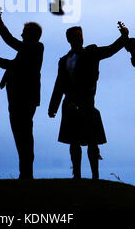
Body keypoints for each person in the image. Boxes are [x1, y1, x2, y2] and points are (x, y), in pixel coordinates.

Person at [48, 23, 129, 180]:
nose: (79, 38)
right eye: (75, 36)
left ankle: (95, 177)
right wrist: (53, 107)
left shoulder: (91, 53)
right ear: (68, 39)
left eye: (80, 35)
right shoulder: (64, 60)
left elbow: (110, 50)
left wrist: (124, 37)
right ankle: (76, 175)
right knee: (74, 142)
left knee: (92, 141)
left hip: (86, 102)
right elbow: (59, 84)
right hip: (69, 104)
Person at [0, 12, 44, 179]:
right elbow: (13, 65)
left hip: (25, 98)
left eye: (24, 32)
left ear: (31, 35)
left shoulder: (36, 47)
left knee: (24, 135)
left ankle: (26, 173)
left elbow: (11, 43)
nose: (21, 34)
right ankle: (25, 173)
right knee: (20, 135)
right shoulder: (29, 50)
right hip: (17, 97)